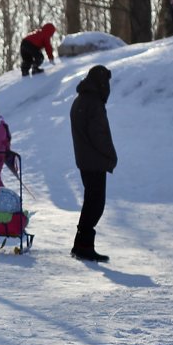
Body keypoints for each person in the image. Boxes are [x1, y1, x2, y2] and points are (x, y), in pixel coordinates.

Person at [69, 65, 117, 263]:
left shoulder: (80, 100)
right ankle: (84, 246)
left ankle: (80, 245)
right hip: (95, 160)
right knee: (95, 204)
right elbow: (99, 135)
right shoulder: (93, 103)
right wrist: (111, 156)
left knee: (91, 202)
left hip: (85, 159)